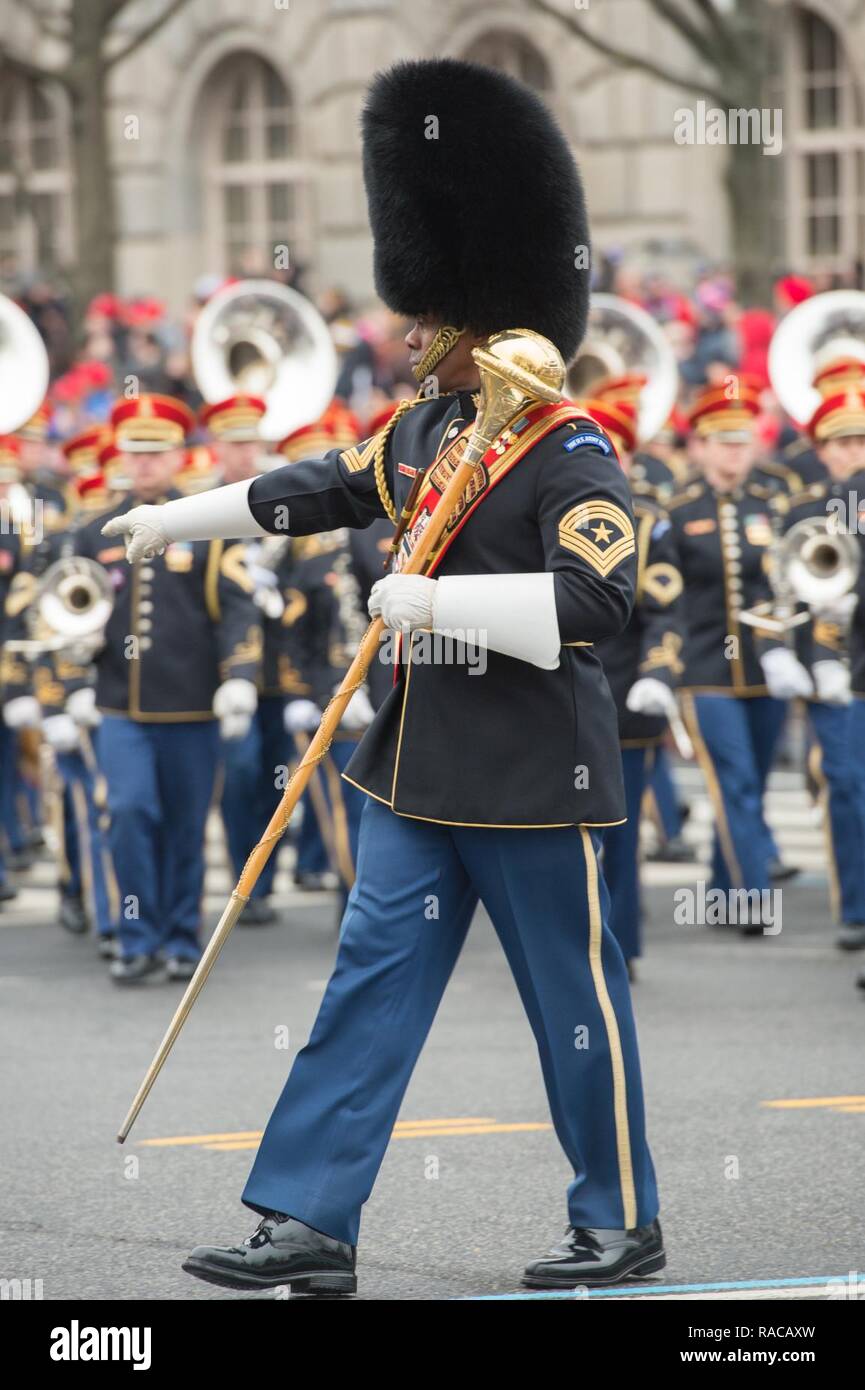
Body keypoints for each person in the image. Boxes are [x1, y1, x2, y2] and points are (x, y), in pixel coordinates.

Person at [103, 58, 663, 1293]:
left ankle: (619, 1215)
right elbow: (307, 489)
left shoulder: (571, 449)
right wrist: (167, 523)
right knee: (364, 990)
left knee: (574, 1003)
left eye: (428, 317)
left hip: (528, 770)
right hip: (417, 765)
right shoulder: (422, 430)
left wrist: (439, 599)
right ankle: (311, 1221)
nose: (408, 332)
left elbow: (598, 602)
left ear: (480, 320)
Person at [74, 393, 262, 984]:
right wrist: (73, 667)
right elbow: (64, 609)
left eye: (158, 452)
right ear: (122, 456)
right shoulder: (90, 532)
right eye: (136, 451)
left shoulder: (207, 525)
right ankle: (137, 936)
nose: (146, 463)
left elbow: (238, 609)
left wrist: (239, 678)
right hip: (117, 706)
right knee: (128, 813)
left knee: (185, 825)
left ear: (180, 455)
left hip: (192, 707)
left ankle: (181, 938)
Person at [669, 385, 786, 932]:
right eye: (723, 442)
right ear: (701, 447)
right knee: (735, 778)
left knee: (750, 783)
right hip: (704, 669)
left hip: (766, 670)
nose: (734, 452)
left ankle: (719, 891)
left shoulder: (773, 505)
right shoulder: (679, 511)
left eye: (742, 442)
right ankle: (754, 901)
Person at [759, 388, 865, 949]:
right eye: (843, 443)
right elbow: (778, 592)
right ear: (822, 451)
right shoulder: (804, 511)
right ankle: (856, 908)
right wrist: (780, 650)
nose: (854, 452)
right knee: (846, 782)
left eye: (861, 441)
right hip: (835, 668)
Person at [587, 400, 684, 974]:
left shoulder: (649, 520)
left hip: (624, 700)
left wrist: (658, 673)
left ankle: (618, 947)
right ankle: (569, 942)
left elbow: (666, 613)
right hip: (552, 702)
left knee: (619, 837)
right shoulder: (540, 504)